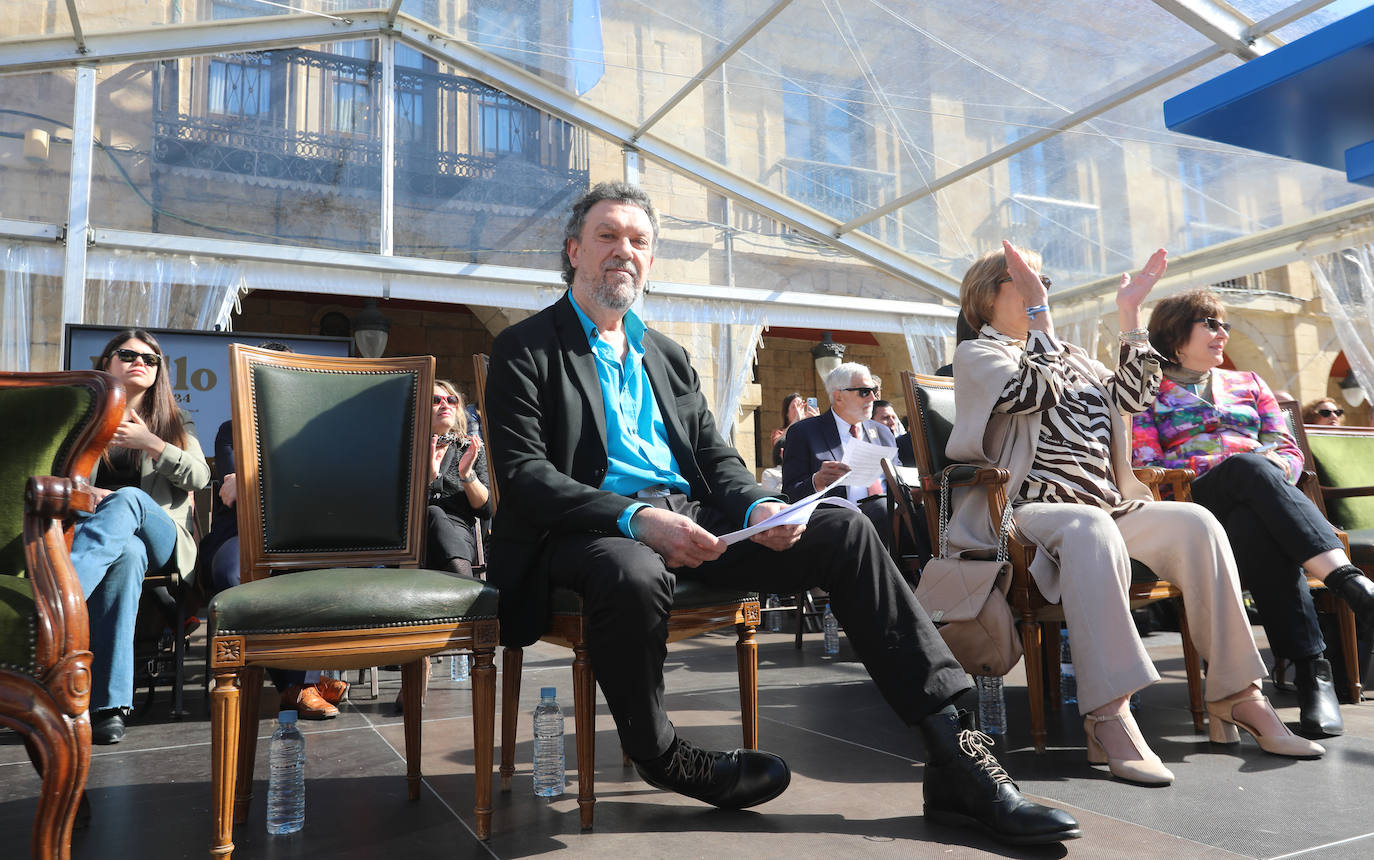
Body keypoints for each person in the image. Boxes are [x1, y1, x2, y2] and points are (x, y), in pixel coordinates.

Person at [484, 182, 1079, 846]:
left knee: (847, 530)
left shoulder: (667, 357)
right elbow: (525, 476)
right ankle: (664, 756)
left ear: (651, 261)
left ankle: (952, 751)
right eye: (607, 236)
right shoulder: (527, 349)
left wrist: (765, 505)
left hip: (692, 515)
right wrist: (636, 520)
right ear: (574, 251)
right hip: (588, 530)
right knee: (632, 571)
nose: (625, 250)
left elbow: (715, 457)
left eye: (639, 241)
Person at [946, 242, 1324, 788]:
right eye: (1025, 280)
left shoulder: (1070, 353)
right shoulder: (979, 355)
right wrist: (1041, 320)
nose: (1040, 287)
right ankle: (1109, 714)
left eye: (1043, 279)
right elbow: (1033, 389)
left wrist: (1131, 315)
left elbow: (1134, 395)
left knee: (1196, 523)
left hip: (1105, 504)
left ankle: (1238, 694)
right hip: (1029, 511)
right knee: (1091, 526)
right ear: (988, 294)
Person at [1132, 290, 1374, 737]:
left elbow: (1287, 448)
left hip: (1257, 505)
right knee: (1246, 468)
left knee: (1256, 520)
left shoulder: (1250, 382)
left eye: (1223, 324)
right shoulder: (1147, 394)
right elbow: (1148, 466)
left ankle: (1311, 674)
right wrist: (1253, 468)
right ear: (1175, 335)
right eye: (1210, 323)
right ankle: (1350, 587)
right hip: (1194, 508)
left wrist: (1277, 466)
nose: (1222, 332)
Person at [70, 329, 211, 745]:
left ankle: (61, 601)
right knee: (127, 554)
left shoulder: (173, 421)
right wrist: (88, 494)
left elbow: (200, 476)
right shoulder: (84, 418)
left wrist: (150, 443)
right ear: (107, 362)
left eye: (151, 360)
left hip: (164, 539)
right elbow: (57, 481)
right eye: (128, 354)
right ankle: (110, 707)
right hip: (111, 540)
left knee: (129, 498)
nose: (140, 363)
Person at [199, 342, 349, 720]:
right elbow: (233, 494)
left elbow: (321, 490)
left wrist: (256, 480)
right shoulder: (231, 429)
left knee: (311, 576)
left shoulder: (316, 429)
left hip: (299, 533)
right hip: (240, 532)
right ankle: (300, 684)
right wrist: (287, 481)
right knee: (230, 575)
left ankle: (299, 686)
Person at [781, 362, 897, 550]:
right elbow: (789, 494)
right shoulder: (804, 433)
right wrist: (817, 481)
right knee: (880, 509)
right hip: (839, 523)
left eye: (874, 390)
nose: (873, 397)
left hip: (892, 515)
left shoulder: (883, 433)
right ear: (838, 396)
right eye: (864, 391)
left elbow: (899, 482)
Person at [427, 380, 491, 577]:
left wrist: (466, 474)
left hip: (458, 532)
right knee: (433, 512)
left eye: (451, 400)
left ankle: (463, 583)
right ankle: (468, 588)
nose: (445, 405)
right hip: (413, 535)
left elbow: (486, 509)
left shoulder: (470, 450)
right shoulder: (407, 447)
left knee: (437, 515)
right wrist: (427, 480)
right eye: (436, 400)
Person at [770, 392, 817, 466]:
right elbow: (777, 446)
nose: (797, 410)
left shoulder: (808, 429)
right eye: (794, 407)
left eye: (800, 406)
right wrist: (795, 421)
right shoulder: (778, 432)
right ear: (786, 413)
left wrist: (816, 423)